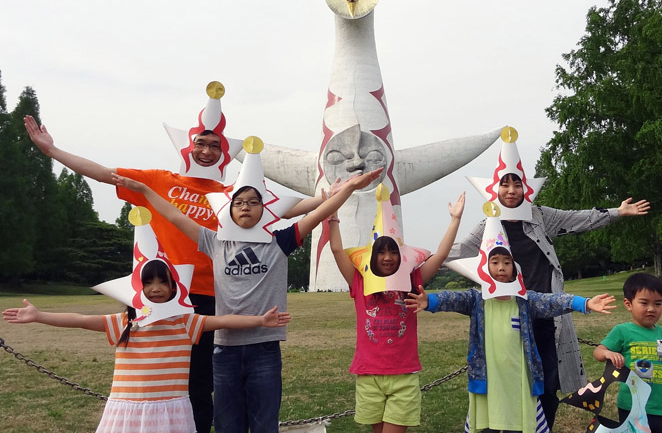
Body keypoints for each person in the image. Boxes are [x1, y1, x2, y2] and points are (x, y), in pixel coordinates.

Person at [24, 114, 330, 433]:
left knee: (201, 384)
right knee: (156, 377)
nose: (207, 151)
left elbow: (279, 209)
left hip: (211, 301)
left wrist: (329, 196)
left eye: (216, 145)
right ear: (188, 147)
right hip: (161, 295)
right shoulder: (158, 181)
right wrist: (53, 151)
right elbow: (105, 174)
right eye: (201, 143)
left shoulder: (227, 196)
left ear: (225, 153)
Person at [114, 167, 383, 433]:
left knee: (265, 425)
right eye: (239, 202)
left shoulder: (281, 242)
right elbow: (174, 215)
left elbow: (319, 213)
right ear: (229, 210)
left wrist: (349, 188)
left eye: (254, 202)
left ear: (264, 210)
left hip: (264, 349)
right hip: (224, 350)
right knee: (228, 426)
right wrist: (143, 189)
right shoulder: (215, 242)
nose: (246, 207)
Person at [448, 171, 650, 429]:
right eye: (504, 185)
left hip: (544, 316)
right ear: (494, 190)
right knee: (502, 384)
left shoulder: (539, 216)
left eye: (517, 184)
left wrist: (617, 212)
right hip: (506, 315)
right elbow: (455, 254)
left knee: (546, 386)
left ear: (526, 189)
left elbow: (578, 218)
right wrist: (409, 264)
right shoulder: (486, 226)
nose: (511, 191)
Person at [2, 260, 291, 433]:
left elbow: (224, 320)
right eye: (148, 282)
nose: (155, 288)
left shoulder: (185, 321)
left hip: (171, 410)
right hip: (129, 409)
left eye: (162, 282)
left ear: (173, 287)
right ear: (136, 288)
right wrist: (38, 316)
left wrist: (260, 320)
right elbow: (80, 320)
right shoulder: (124, 322)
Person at [407, 244, 617, 433]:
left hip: (521, 379)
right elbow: (452, 298)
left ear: (514, 269)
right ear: (484, 267)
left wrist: (585, 303)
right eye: (495, 262)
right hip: (489, 378)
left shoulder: (525, 300)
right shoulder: (476, 300)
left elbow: (552, 301)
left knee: (524, 422)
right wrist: (430, 301)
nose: (501, 267)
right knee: (488, 421)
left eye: (507, 262)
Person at [328, 188, 466, 433]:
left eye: (393, 251)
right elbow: (338, 250)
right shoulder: (359, 282)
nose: (388, 257)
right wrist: (333, 213)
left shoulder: (414, 280)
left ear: (402, 255)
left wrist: (455, 219)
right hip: (368, 375)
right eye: (381, 251)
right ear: (372, 255)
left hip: (403, 375)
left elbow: (441, 254)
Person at [594, 273, 662, 433]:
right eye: (644, 303)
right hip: (633, 408)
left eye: (658, 304)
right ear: (628, 304)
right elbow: (598, 352)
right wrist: (608, 354)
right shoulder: (622, 331)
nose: (652, 309)